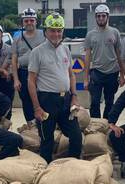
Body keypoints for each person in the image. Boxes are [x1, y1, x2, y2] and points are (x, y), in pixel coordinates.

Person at [28, 12, 82, 163]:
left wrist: (74, 96)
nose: (56, 34)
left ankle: (72, 165)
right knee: (47, 141)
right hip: (46, 101)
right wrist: (36, 107)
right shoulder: (37, 52)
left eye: (59, 30)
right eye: (52, 30)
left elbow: (71, 75)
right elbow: (31, 81)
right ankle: (45, 171)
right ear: (45, 31)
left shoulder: (65, 50)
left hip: (65, 100)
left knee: (76, 136)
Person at [84, 4, 125, 119]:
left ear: (108, 17)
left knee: (109, 102)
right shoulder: (90, 35)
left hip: (112, 73)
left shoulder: (115, 33)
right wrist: (85, 79)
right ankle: (96, 124)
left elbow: (120, 55)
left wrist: (122, 75)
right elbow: (87, 57)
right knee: (94, 102)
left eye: (103, 16)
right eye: (98, 16)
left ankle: (107, 124)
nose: (101, 18)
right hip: (96, 72)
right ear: (96, 18)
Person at [11, 8, 45, 125]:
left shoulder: (44, 35)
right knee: (26, 100)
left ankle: (43, 123)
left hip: (41, 73)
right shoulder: (17, 37)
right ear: (22, 22)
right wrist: (16, 79)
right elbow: (14, 59)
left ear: (36, 21)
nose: (29, 23)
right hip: (24, 72)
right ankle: (31, 125)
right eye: (26, 21)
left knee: (42, 99)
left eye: (31, 20)